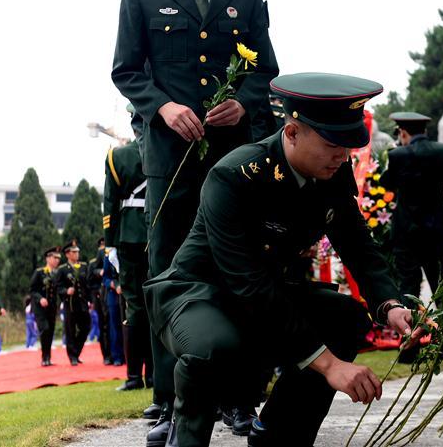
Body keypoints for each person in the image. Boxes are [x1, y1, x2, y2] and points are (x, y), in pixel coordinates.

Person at [143, 73, 418, 446]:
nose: (343, 156)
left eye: (348, 145)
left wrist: (391, 307)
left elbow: (359, 247)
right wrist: (329, 365)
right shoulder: (235, 175)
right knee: (215, 346)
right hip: (198, 295)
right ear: (291, 133)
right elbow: (246, 282)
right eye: (332, 144)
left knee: (346, 318)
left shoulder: (330, 174)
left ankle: (277, 436)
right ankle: (185, 434)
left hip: (263, 294)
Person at [111, 0, 279, 444]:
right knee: (168, 272)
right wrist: (162, 107)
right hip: (170, 157)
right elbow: (126, 70)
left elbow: (266, 72)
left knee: (237, 267)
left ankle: (238, 398)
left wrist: (242, 103)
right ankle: (167, 400)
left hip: (230, 159)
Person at [380, 112, 443, 306]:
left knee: (408, 284)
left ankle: (410, 322)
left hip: (406, 230)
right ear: (424, 130)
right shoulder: (442, 150)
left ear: (402, 133)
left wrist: (395, 155)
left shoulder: (397, 155)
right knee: (441, 284)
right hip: (436, 227)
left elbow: (387, 183)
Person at [102, 115, 155, 407]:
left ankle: (134, 376)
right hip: (158, 231)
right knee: (157, 303)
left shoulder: (117, 156)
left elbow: (110, 202)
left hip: (128, 234)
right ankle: (156, 375)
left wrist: (109, 242)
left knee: (134, 305)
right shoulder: (167, 152)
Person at [55, 240, 90, 366]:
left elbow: (87, 285)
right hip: (70, 304)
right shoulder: (62, 270)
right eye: (74, 252)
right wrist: (66, 291)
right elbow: (58, 287)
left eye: (77, 252)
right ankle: (72, 356)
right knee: (70, 330)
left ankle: (76, 351)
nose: (77, 254)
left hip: (82, 303)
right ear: (67, 254)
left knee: (86, 327)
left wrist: (90, 300)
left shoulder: (84, 266)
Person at [30, 246, 61, 366]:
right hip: (40, 308)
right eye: (54, 258)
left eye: (58, 258)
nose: (57, 260)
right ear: (48, 258)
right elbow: (32, 290)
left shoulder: (57, 273)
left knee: (51, 331)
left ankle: (48, 357)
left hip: (52, 307)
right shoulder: (39, 272)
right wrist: (40, 298)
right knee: (45, 329)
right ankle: (44, 357)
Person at [87, 239, 110, 364]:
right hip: (99, 297)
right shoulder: (93, 264)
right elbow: (89, 283)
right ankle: (106, 354)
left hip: (109, 294)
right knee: (103, 326)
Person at [102, 246, 125, 366]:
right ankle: (117, 356)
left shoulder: (125, 251)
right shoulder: (109, 256)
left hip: (127, 293)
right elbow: (105, 278)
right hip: (113, 295)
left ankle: (129, 355)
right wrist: (114, 285)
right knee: (114, 327)